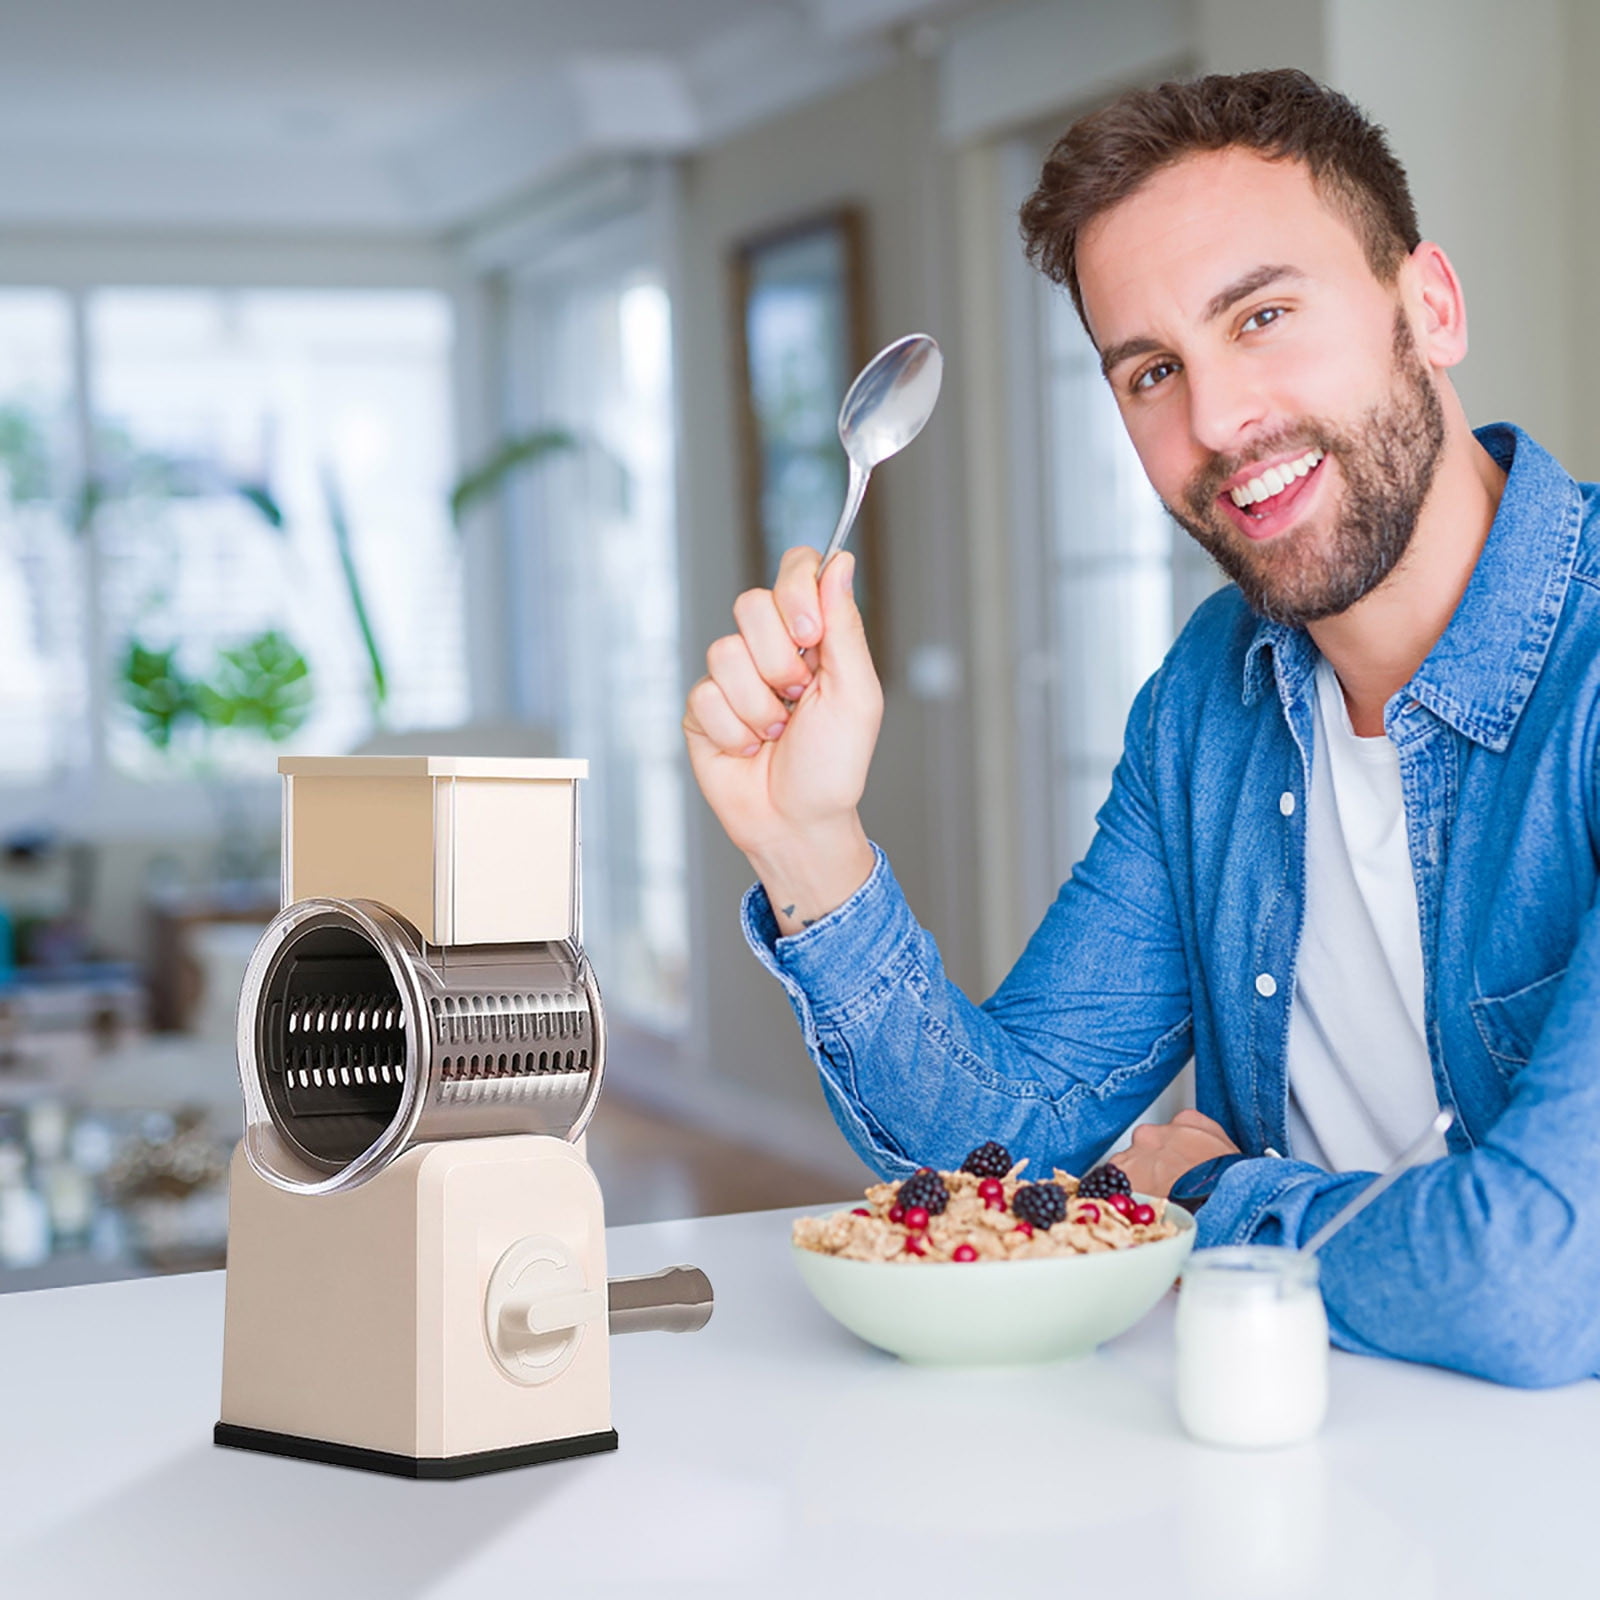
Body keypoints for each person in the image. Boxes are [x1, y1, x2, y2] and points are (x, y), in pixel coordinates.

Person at [681, 68, 1600, 1387]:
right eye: (1152, 371)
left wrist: (1214, 1199)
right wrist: (811, 845)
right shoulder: (1207, 704)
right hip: (1300, 1460)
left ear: (1430, 308)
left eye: (1266, 315)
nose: (1217, 422)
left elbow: (1537, 1287)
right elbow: (1003, 1150)